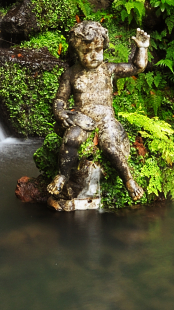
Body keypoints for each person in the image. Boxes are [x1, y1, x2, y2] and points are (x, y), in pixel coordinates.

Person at [47, 20, 150, 201]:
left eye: (98, 50)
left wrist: (142, 48)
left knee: (110, 146)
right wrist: (61, 113)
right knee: (71, 139)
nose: (93, 56)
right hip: (83, 120)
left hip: (106, 120)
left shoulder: (109, 69)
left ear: (104, 48)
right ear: (76, 53)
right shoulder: (71, 74)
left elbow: (137, 67)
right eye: (86, 52)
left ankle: (129, 180)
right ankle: (62, 175)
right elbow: (60, 99)